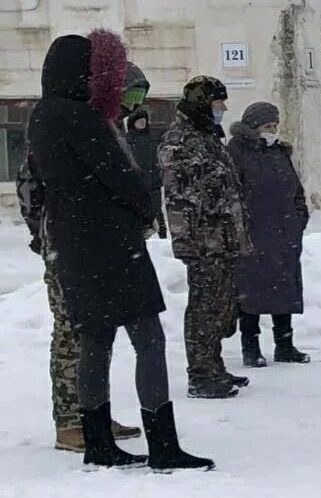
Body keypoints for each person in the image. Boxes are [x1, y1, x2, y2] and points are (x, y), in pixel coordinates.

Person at [28, 31, 211, 470]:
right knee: (148, 338)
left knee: (95, 340)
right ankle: (163, 444)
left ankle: (96, 442)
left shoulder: (41, 115)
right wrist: (143, 207)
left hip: (72, 243)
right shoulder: (82, 118)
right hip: (111, 243)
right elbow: (120, 178)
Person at [19, 57, 153, 453]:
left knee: (96, 330)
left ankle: (93, 411)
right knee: (72, 331)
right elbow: (31, 188)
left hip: (94, 243)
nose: (132, 103)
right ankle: (71, 422)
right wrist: (45, 236)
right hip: (66, 243)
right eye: (128, 93)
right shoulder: (67, 126)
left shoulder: (103, 127)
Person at [159, 76, 252, 400]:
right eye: (217, 103)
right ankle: (200, 373)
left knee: (222, 305)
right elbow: (178, 197)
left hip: (222, 238)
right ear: (202, 103)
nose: (223, 108)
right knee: (204, 307)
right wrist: (187, 242)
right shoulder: (180, 140)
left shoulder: (208, 136)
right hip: (204, 241)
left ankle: (214, 364)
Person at [228, 102, 311, 369]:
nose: (272, 131)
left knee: (284, 290)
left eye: (275, 126)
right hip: (253, 234)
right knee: (250, 293)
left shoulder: (279, 152)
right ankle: (250, 348)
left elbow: (296, 190)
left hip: (284, 233)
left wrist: (299, 219)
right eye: (267, 126)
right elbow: (232, 193)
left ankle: (284, 344)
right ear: (253, 127)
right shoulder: (237, 153)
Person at [126, 108, 167, 239]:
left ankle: (162, 237)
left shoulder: (154, 138)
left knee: (156, 211)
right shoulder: (128, 140)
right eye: (139, 121)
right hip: (136, 182)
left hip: (154, 180)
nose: (142, 123)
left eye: (144, 121)